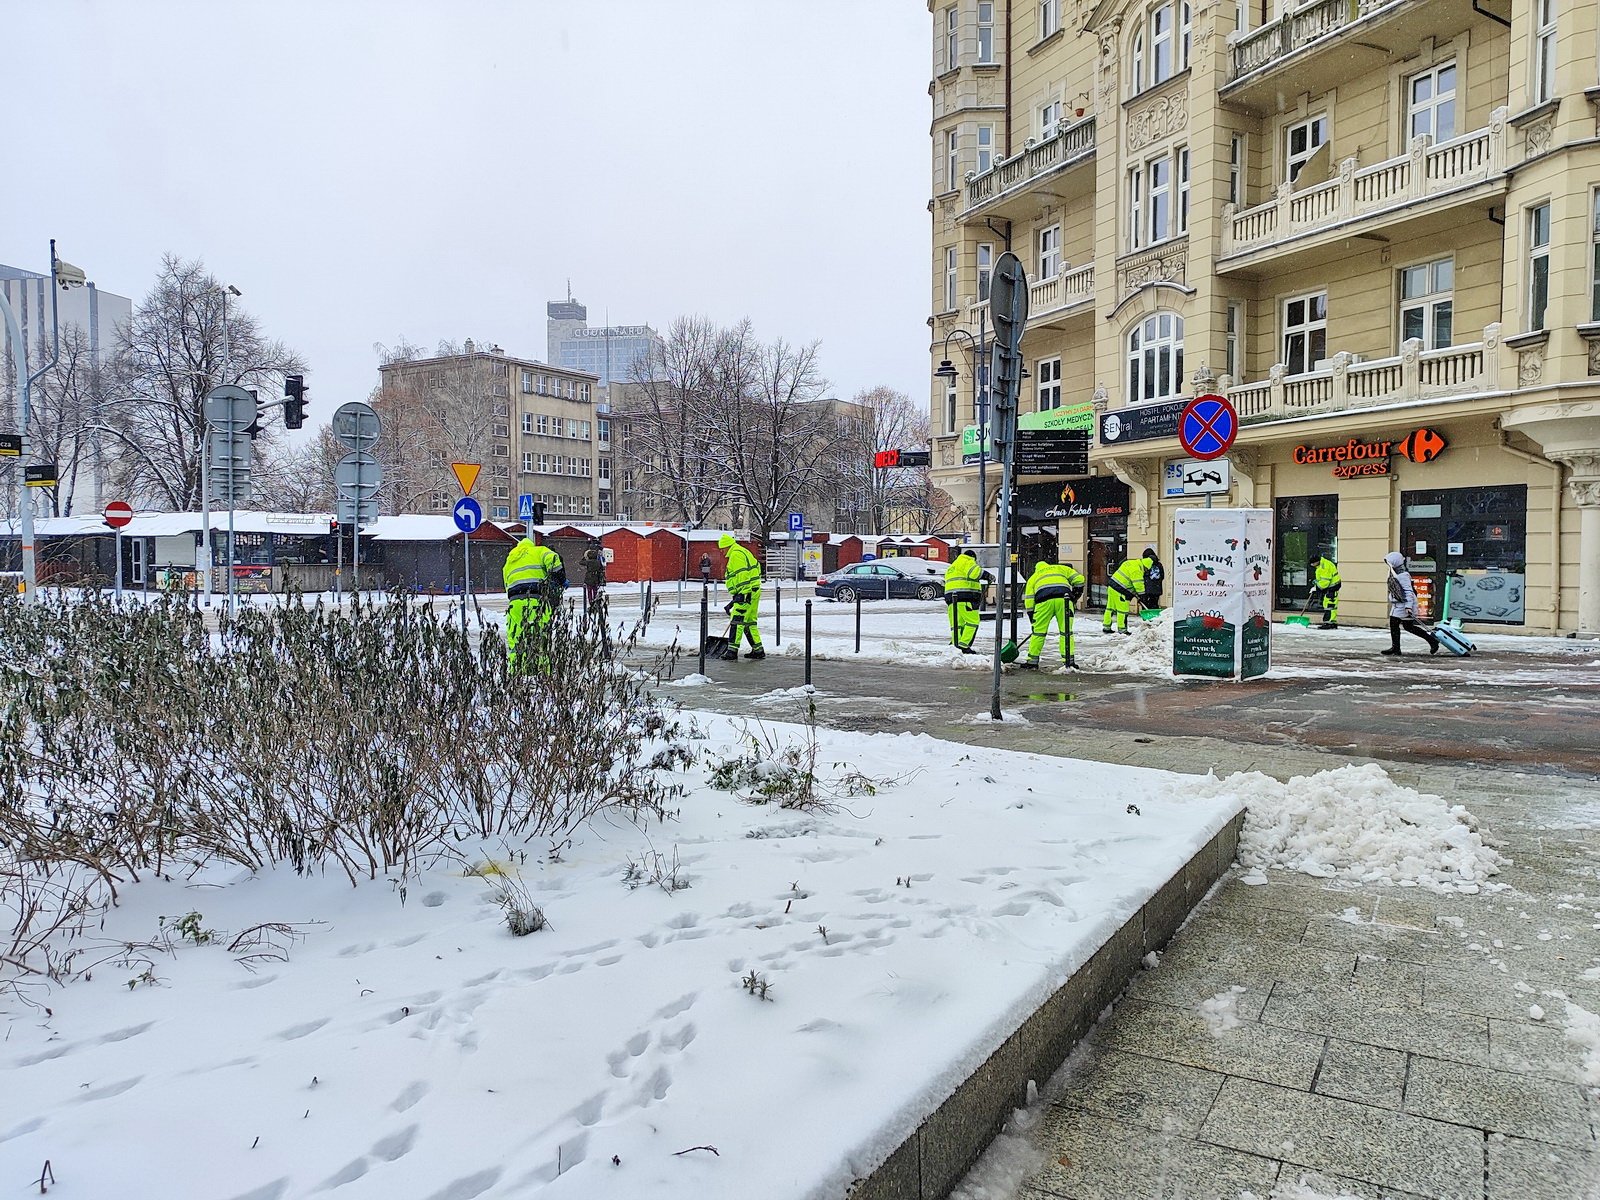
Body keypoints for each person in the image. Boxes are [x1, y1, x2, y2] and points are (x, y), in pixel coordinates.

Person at [503, 533, 566, 670]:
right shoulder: (539, 551)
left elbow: (507, 584)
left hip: (515, 603)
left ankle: (516, 671)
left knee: (516, 637)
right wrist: (560, 580)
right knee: (540, 636)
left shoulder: (510, 560)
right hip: (537, 600)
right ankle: (543, 671)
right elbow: (554, 559)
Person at [1019, 558, 1086, 671]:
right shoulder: (1060, 568)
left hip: (1043, 602)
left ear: (1036, 569)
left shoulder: (1033, 577)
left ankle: (1032, 662)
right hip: (1064, 600)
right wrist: (1075, 596)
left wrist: (1032, 617)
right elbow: (1080, 579)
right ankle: (1069, 662)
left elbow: (1029, 600)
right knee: (1066, 632)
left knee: (1038, 633)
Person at [717, 533, 765, 661]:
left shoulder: (736, 555)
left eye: (722, 548)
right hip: (753, 591)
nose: (722, 551)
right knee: (749, 622)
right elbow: (757, 568)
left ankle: (731, 652)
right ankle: (758, 650)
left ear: (726, 546)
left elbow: (742, 575)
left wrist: (743, 594)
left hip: (745, 593)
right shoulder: (743, 551)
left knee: (737, 621)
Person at [1383, 550, 1438, 656]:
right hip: (1399, 604)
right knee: (1408, 627)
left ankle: (1396, 648)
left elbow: (1408, 592)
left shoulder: (1403, 575)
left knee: (1396, 624)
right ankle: (1431, 641)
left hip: (1404, 605)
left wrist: (1408, 606)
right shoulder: (1395, 572)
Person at [1103, 547, 1155, 635]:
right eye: (1146, 570)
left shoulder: (1132, 562)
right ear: (1146, 567)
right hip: (1120, 590)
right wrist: (1142, 596)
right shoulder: (1137, 570)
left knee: (1110, 608)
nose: (1146, 571)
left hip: (1112, 586)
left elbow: (1129, 582)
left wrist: (1136, 595)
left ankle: (1106, 626)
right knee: (1122, 610)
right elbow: (1138, 585)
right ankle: (1122, 629)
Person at [943, 548, 985, 654]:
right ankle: (964, 645)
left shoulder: (952, 566)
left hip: (951, 599)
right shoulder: (967, 561)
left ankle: (955, 644)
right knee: (972, 622)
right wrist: (986, 575)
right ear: (973, 557)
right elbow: (974, 573)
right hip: (966, 597)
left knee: (957, 624)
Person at [1310, 549, 1341, 628]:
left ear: (1316, 561)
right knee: (1330, 605)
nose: (1312, 565)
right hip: (1331, 587)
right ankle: (1332, 622)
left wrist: (1317, 586)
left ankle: (1328, 623)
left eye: (1313, 563)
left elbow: (1325, 583)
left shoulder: (1324, 567)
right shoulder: (1322, 564)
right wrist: (1317, 582)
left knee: (1329, 605)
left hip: (1332, 588)